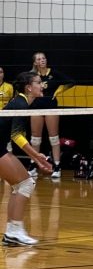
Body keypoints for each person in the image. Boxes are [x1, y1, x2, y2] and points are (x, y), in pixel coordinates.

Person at [0, 71, 52, 245]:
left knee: (19, 185)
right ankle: (15, 231)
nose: (42, 85)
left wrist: (36, 158)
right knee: (26, 184)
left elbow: (17, 135)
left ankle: (11, 233)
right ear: (29, 88)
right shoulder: (20, 103)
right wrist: (36, 156)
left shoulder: (21, 102)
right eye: (38, 82)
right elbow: (17, 136)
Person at [29, 52, 75, 179]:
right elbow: (24, 88)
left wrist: (59, 91)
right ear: (35, 62)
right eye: (39, 59)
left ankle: (57, 166)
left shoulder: (54, 73)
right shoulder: (31, 76)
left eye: (43, 58)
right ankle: (33, 165)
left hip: (51, 107)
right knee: (35, 139)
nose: (42, 60)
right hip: (36, 108)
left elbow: (71, 82)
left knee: (54, 138)